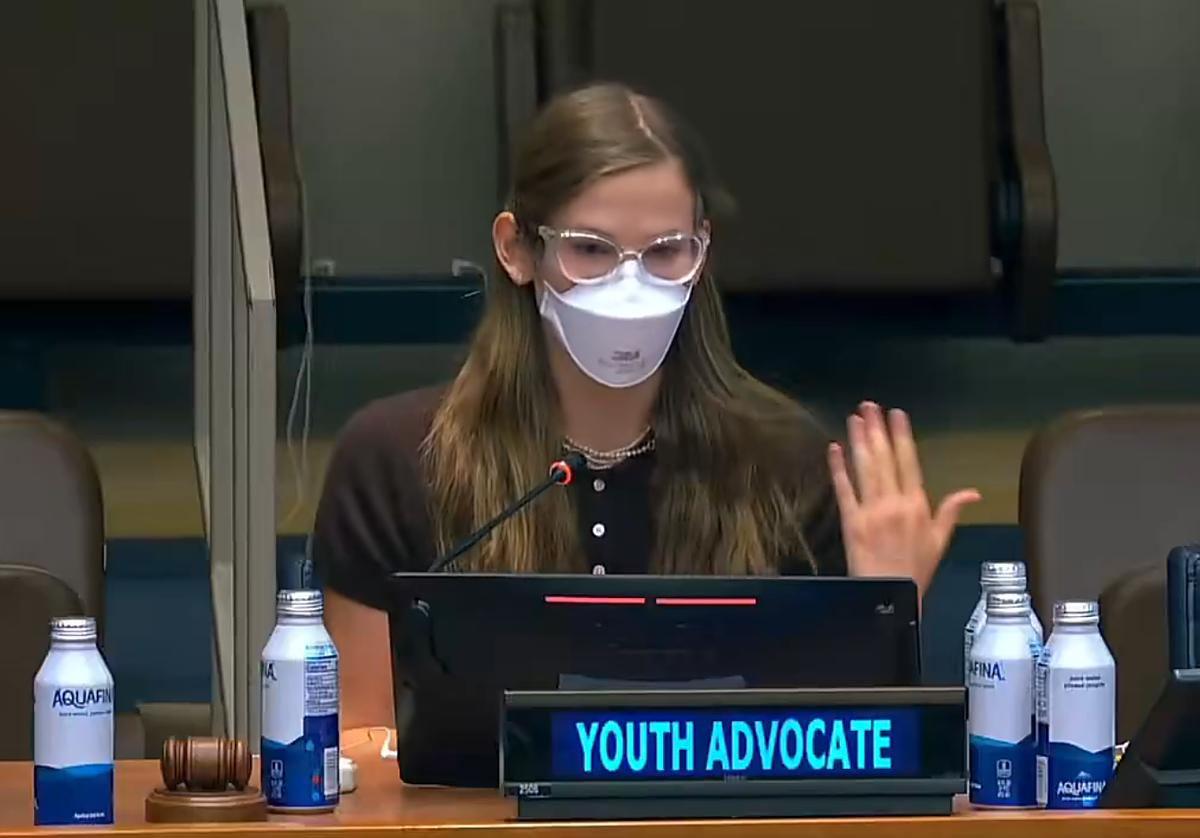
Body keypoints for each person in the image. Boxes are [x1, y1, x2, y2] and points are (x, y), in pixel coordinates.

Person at [312, 82, 981, 730]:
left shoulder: (784, 462)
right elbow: (356, 752)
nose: (629, 286)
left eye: (665, 252)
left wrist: (886, 609)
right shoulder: (397, 458)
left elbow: (835, 758)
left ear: (702, 250)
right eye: (590, 250)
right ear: (517, 250)